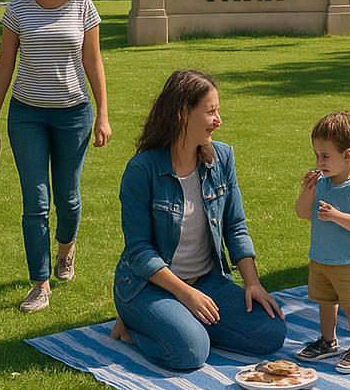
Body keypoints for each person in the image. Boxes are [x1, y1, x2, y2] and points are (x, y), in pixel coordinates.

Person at [110, 69, 285, 369]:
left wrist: (252, 283)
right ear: (182, 115)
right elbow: (139, 252)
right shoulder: (142, 170)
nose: (219, 120)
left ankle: (181, 324)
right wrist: (185, 294)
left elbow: (235, 226)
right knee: (190, 351)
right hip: (148, 287)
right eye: (211, 111)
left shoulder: (222, 158)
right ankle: (132, 329)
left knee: (271, 333)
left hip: (207, 282)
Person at [0, 0, 112, 312]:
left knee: (68, 197)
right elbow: (4, 64)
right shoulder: (17, 10)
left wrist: (102, 113)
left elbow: (94, 61)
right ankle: (40, 282)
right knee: (36, 201)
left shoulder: (83, 7)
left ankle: (66, 250)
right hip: (27, 116)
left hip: (73, 115)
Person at [294, 111, 350, 374]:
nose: (319, 162)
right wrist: (307, 192)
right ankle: (327, 341)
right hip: (321, 259)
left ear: (348, 155)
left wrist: (336, 216)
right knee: (325, 303)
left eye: (325, 156)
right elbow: (302, 213)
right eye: (317, 155)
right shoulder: (321, 184)